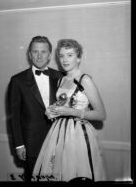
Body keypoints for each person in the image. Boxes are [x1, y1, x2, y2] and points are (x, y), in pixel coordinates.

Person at [32, 39, 107, 182]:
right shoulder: (62, 79)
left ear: (79, 58)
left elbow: (101, 114)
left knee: (75, 173)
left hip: (78, 134)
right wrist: (52, 110)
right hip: (59, 132)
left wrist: (71, 112)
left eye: (70, 55)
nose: (64, 60)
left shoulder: (85, 80)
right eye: (61, 55)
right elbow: (63, 104)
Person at [8, 36, 63, 181]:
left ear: (50, 55)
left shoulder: (60, 77)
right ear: (29, 54)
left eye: (43, 52)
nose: (39, 55)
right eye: (35, 51)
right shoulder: (17, 80)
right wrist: (19, 145)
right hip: (31, 144)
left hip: (58, 143)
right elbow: (14, 117)